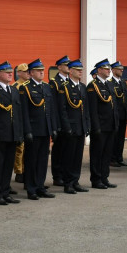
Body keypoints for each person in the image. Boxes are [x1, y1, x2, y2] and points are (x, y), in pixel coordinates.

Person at [0, 61, 28, 205]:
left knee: (8, 165)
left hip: (12, 134)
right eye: (6, 72)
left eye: (11, 72)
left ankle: (5, 191)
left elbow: (18, 114)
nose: (10, 74)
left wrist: (20, 133)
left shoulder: (14, 90)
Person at [19, 58, 59, 201]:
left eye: (43, 70)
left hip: (45, 129)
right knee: (31, 160)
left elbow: (51, 110)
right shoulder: (25, 88)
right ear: (31, 73)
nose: (42, 72)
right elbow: (24, 112)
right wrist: (27, 131)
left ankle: (40, 186)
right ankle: (31, 189)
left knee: (42, 160)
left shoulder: (46, 87)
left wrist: (53, 128)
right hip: (33, 130)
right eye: (38, 70)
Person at [56, 59, 89, 193]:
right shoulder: (64, 87)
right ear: (70, 71)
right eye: (77, 69)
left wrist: (87, 125)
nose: (80, 71)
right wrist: (66, 127)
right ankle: (68, 183)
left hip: (80, 127)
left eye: (81, 69)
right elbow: (62, 109)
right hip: (70, 127)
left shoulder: (82, 87)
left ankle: (75, 181)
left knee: (77, 157)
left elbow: (85, 109)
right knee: (69, 157)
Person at [87, 60, 118, 188]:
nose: (108, 71)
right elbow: (92, 109)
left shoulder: (109, 85)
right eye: (106, 69)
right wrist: (96, 126)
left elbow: (113, 105)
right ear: (99, 70)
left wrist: (115, 123)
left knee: (106, 154)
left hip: (110, 125)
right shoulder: (93, 86)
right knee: (97, 154)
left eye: (109, 69)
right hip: (100, 126)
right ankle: (96, 179)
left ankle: (104, 177)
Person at [49, 56, 72, 187]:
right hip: (59, 122)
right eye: (65, 64)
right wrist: (56, 125)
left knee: (67, 151)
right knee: (58, 151)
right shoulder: (54, 83)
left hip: (70, 121)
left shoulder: (71, 81)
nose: (68, 66)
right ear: (59, 67)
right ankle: (57, 176)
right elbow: (54, 106)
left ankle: (65, 174)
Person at [109, 61, 127, 167]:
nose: (122, 70)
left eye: (122, 68)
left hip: (123, 114)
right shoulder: (110, 83)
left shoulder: (122, 82)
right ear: (113, 70)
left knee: (121, 138)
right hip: (115, 115)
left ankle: (119, 157)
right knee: (114, 138)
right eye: (119, 68)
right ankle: (112, 159)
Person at [13, 62, 30, 182]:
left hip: (29, 120)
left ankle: (27, 170)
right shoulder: (16, 86)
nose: (27, 73)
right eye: (24, 71)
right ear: (18, 73)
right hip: (20, 120)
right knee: (20, 148)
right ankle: (19, 172)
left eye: (28, 71)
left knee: (28, 148)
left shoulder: (30, 85)